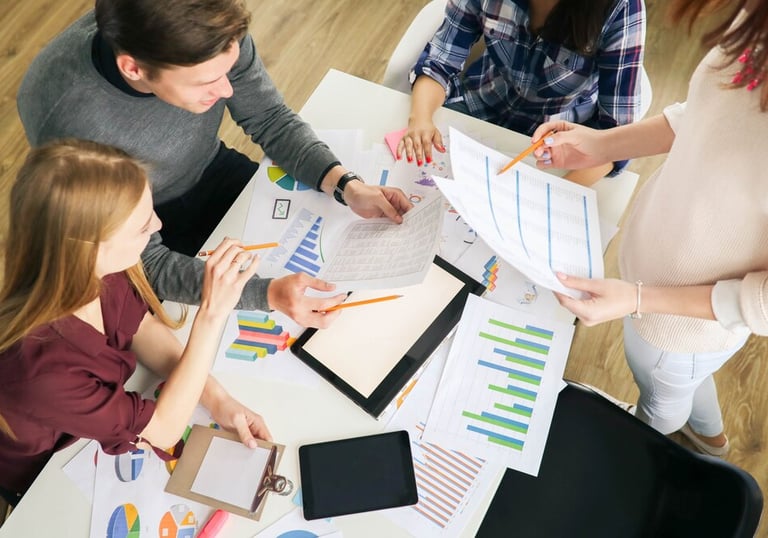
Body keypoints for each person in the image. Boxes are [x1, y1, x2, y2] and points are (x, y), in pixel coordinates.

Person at [16, 0, 412, 328]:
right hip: (140, 231)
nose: (226, 90)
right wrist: (263, 293)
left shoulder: (212, 33)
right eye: (206, 83)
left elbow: (269, 119)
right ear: (133, 68)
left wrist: (346, 185)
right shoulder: (71, 121)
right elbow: (144, 261)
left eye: (228, 71)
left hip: (212, 168)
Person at [0, 140, 332, 507]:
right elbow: (163, 430)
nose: (158, 225)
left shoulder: (96, 272)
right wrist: (211, 314)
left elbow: (141, 329)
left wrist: (217, 398)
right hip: (43, 477)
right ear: (89, 247)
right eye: (143, 226)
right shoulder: (41, 370)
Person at [530, 0, 768, 456]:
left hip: (677, 320)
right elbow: (703, 112)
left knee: (658, 408)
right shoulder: (755, 23)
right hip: (659, 286)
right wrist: (599, 145)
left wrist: (639, 299)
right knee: (688, 377)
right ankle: (711, 440)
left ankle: (678, 454)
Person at [397, 0, 645, 185]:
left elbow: (616, 138)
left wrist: (550, 197)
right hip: (478, 105)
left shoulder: (621, 7)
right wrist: (420, 118)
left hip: (557, 145)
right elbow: (441, 59)